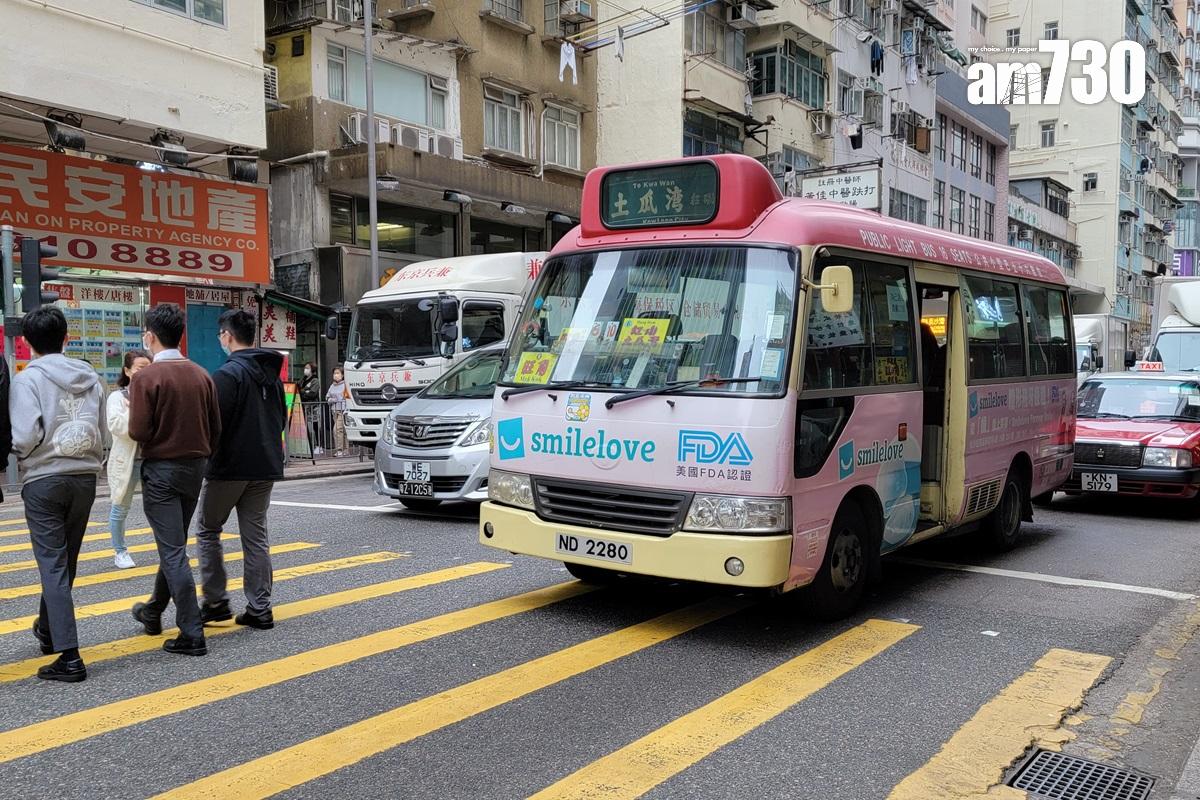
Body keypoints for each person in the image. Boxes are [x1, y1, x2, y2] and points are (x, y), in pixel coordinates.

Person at [10, 307, 106, 682]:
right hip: (84, 477)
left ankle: (69, 656)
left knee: (52, 564)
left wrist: (31, 455)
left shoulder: (28, 380)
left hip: (45, 479)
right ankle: (50, 631)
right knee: (66, 561)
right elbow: (102, 430)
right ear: (66, 338)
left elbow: (24, 436)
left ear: (27, 342)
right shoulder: (91, 377)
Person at [128, 303, 221, 657]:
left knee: (172, 550)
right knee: (174, 545)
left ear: (150, 336)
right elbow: (215, 429)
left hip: (162, 470)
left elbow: (138, 429)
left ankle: (191, 631)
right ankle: (153, 610)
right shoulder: (201, 374)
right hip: (195, 468)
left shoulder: (146, 378)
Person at [196, 309, 286, 630]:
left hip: (229, 467)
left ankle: (216, 601)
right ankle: (260, 607)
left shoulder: (227, 375)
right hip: (266, 466)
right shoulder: (272, 376)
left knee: (208, 529)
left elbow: (212, 425)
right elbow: (281, 422)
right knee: (255, 535)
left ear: (227, 336)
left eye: (221, 335)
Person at [106, 349, 152, 569]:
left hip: (153, 460)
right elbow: (116, 426)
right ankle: (120, 551)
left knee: (160, 508)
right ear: (127, 371)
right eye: (140, 368)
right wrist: (137, 412)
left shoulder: (157, 393)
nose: (146, 373)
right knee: (120, 507)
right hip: (128, 461)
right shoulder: (117, 397)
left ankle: (170, 550)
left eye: (149, 368)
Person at [298, 362, 322, 455]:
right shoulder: (303, 379)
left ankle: (319, 446)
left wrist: (303, 392)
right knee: (306, 427)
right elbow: (298, 389)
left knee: (315, 426)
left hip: (313, 407)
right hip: (304, 406)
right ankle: (308, 445)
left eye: (307, 368)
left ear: (312, 369)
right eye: (305, 367)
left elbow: (312, 393)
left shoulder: (315, 380)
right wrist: (304, 391)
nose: (305, 369)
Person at [325, 367, 348, 457]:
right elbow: (327, 397)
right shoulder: (332, 386)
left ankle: (339, 450)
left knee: (337, 430)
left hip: (343, 411)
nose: (336, 375)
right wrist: (331, 400)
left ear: (342, 375)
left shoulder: (345, 385)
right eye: (334, 373)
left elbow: (347, 398)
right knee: (342, 430)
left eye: (338, 373)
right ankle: (346, 449)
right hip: (334, 411)